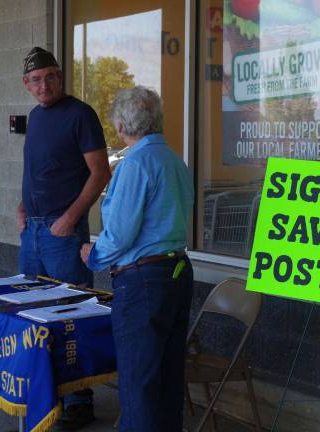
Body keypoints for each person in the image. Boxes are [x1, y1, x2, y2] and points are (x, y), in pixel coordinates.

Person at [81, 86, 194, 432]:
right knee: (169, 376)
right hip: (177, 272)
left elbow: (121, 232)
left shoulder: (136, 164)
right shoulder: (175, 160)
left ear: (120, 126)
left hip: (144, 278)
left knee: (139, 381)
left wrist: (94, 255)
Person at [18, 46, 112, 430]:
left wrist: (72, 217)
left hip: (62, 232)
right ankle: (48, 393)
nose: (45, 85)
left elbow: (100, 172)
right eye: (37, 80)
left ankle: (80, 401)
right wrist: (21, 207)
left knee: (70, 312)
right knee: (34, 312)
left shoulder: (80, 114)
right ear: (27, 85)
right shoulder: (36, 118)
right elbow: (37, 169)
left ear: (61, 77)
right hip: (33, 232)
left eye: (51, 77)